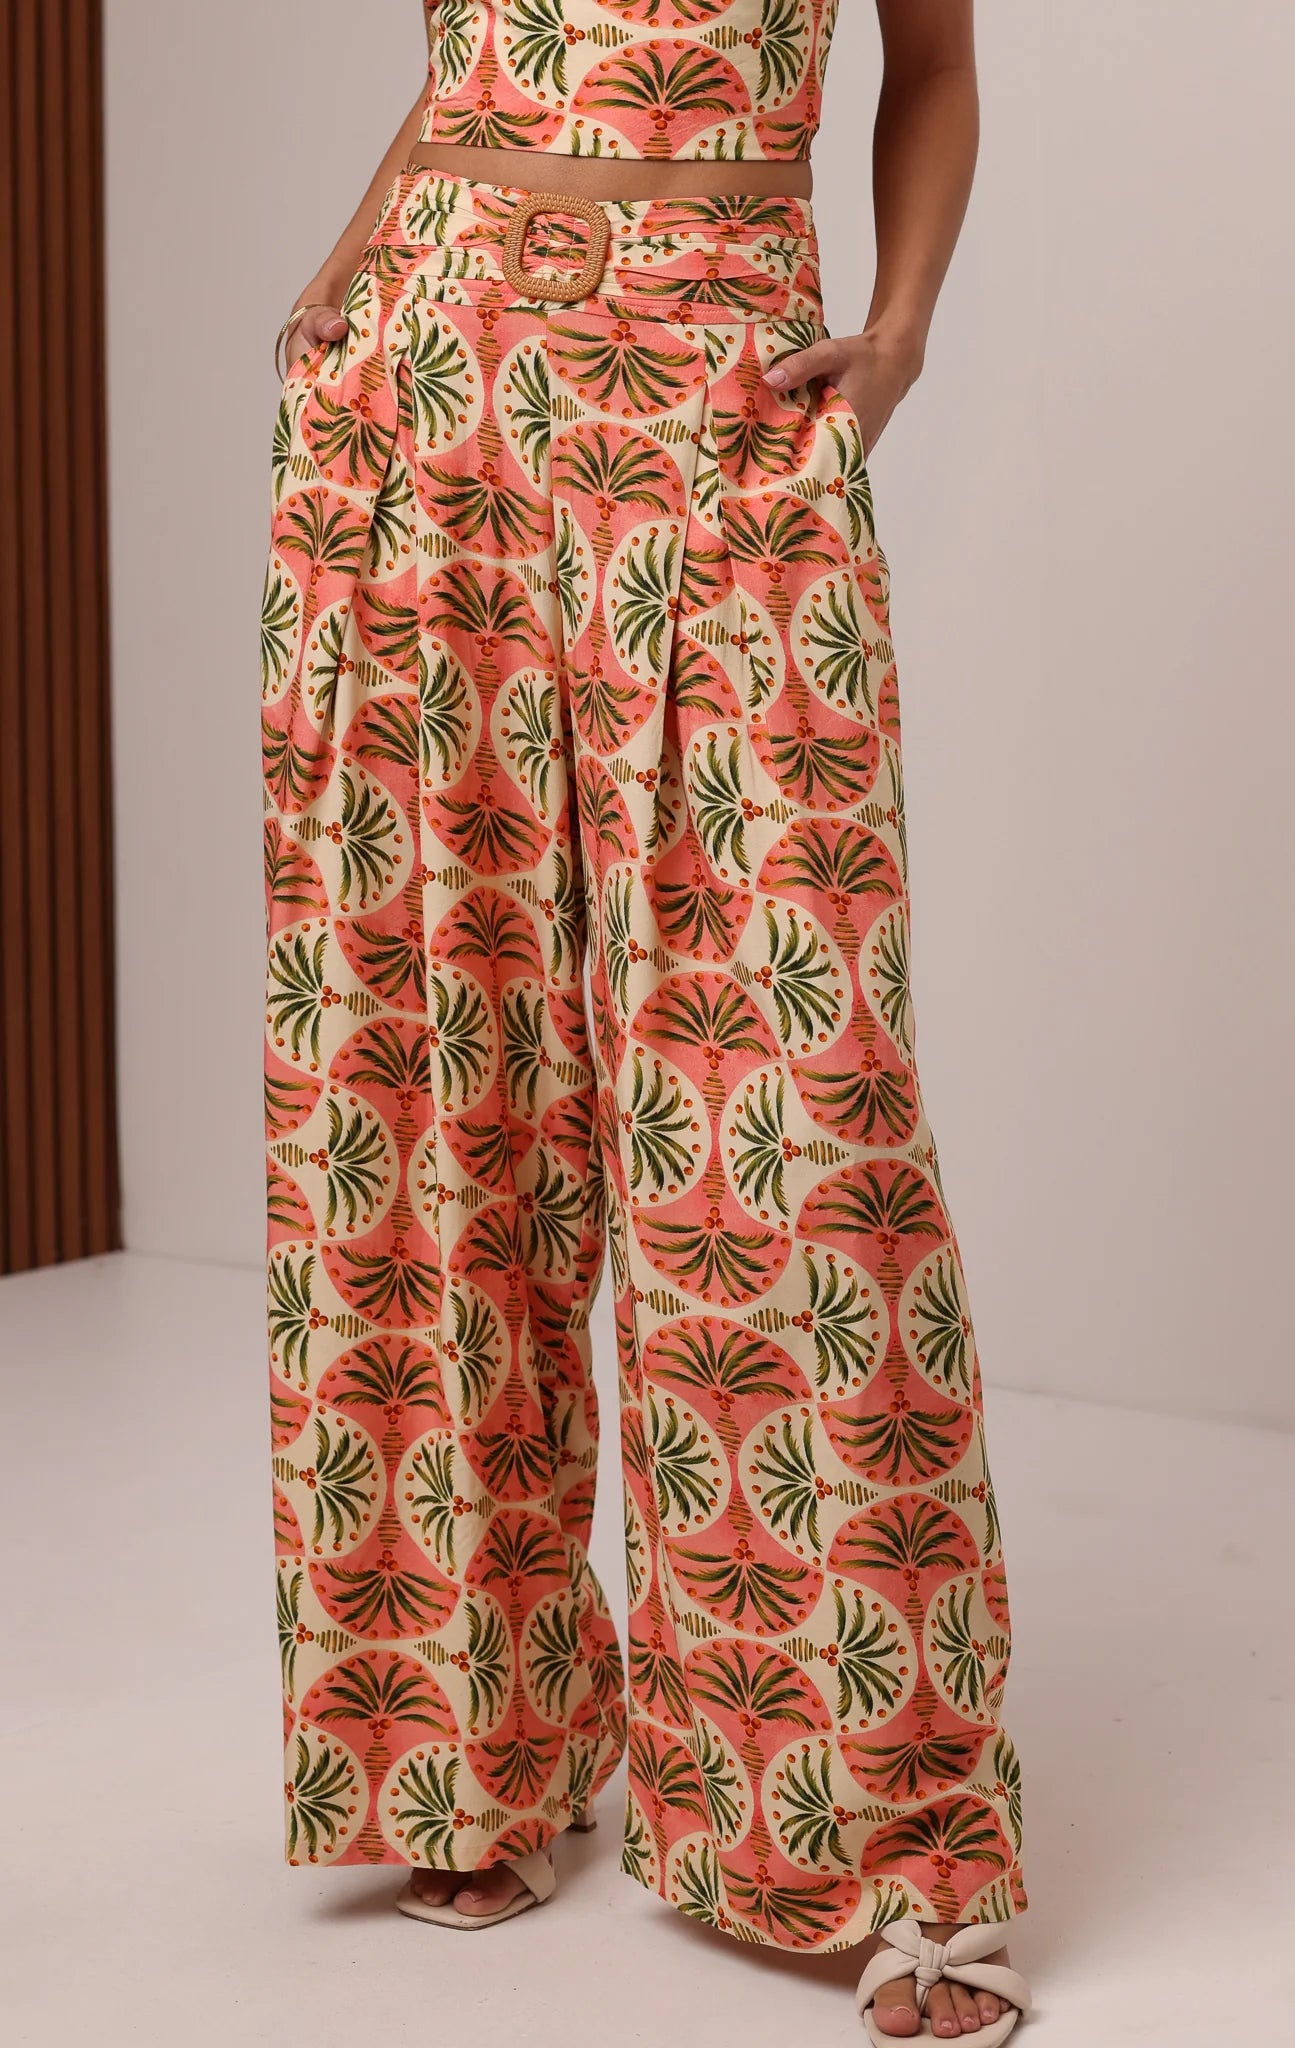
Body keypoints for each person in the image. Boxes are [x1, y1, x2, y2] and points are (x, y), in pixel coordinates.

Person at [260, 4, 1032, 2038]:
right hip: (426, 403)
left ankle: (887, 1831)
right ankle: (473, 1750)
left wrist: (901, 327)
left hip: (722, 415)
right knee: (433, 1078)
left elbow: (936, 61)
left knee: (790, 1123)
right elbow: (473, 71)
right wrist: (340, 285)